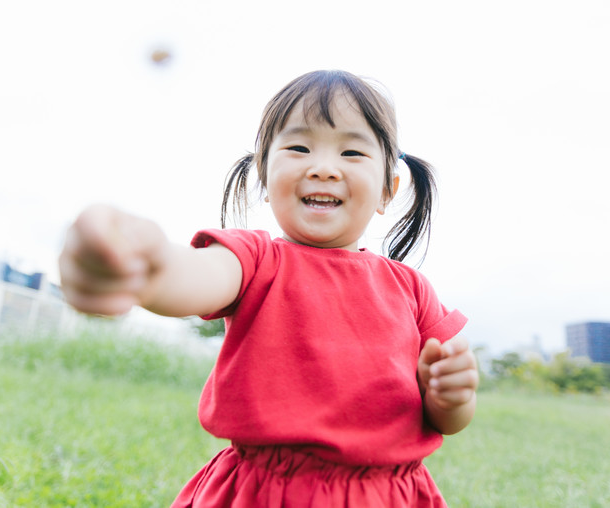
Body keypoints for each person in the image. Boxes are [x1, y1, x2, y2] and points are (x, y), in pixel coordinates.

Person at [59, 70, 479, 508]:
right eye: (299, 148)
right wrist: (147, 267)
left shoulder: (410, 288)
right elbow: (194, 276)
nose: (323, 168)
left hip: (388, 495)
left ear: (387, 192)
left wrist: (451, 395)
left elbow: (447, 420)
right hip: (266, 493)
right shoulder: (255, 260)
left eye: (352, 152)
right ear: (263, 173)